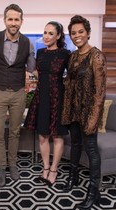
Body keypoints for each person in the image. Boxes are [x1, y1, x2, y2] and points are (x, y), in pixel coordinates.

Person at [0, 4, 36, 187]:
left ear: (21, 21)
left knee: (14, 132)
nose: (13, 23)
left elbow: (31, 68)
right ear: (5, 20)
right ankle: (1, 168)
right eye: (10, 19)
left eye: (16, 19)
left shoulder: (28, 43)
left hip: (19, 93)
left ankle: (12, 164)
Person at [61, 15, 107, 209]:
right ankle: (73, 178)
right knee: (76, 144)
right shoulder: (72, 56)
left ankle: (93, 191)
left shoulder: (96, 56)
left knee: (91, 150)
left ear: (88, 33)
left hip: (89, 111)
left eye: (81, 32)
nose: (77, 35)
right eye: (73, 33)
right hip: (74, 109)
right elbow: (70, 82)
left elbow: (100, 91)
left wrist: (94, 117)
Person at [24, 21, 70, 186]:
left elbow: (71, 77)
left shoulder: (66, 53)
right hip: (41, 97)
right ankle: (45, 168)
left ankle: (54, 170)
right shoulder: (40, 52)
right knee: (43, 135)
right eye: (45, 32)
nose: (46, 36)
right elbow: (36, 74)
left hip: (58, 97)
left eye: (51, 33)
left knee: (57, 135)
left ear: (58, 36)